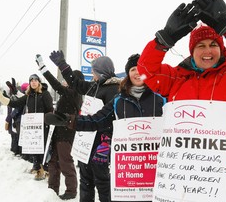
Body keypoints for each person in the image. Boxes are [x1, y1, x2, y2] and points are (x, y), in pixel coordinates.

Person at [137, 0, 226, 202]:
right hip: (185, 171)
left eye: (213, 45)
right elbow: (146, 69)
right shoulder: (175, 79)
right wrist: (165, 38)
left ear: (221, 48)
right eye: (200, 46)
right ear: (192, 52)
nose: (207, 51)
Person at [47, 53, 166, 202]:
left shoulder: (156, 97)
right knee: (86, 181)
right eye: (133, 69)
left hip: (108, 148)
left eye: (141, 69)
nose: (137, 73)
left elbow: (110, 124)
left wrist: (105, 145)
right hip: (88, 145)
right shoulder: (100, 89)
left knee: (103, 184)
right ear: (128, 73)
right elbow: (95, 115)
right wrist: (67, 120)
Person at [48, 50, 121, 202]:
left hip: (103, 142)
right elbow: (75, 82)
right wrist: (62, 65)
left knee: (102, 180)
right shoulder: (94, 86)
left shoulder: (114, 90)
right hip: (86, 140)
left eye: (94, 71)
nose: (92, 74)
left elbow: (107, 119)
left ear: (101, 72)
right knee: (85, 179)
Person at [35, 54, 84, 200]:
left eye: (68, 79)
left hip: (66, 133)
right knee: (53, 161)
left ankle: (71, 191)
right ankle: (52, 189)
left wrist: (43, 69)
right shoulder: (68, 93)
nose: (65, 81)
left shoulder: (74, 93)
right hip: (57, 132)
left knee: (65, 161)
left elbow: (55, 85)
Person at [0, 74, 54, 180]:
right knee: (34, 148)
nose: (33, 82)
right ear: (29, 83)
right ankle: (38, 169)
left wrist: (44, 119)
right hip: (32, 127)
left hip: (44, 126)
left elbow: (50, 110)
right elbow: (15, 103)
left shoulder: (45, 94)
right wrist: (2, 98)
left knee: (43, 149)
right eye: (31, 81)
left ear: (39, 82)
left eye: (35, 80)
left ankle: (47, 169)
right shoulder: (28, 95)